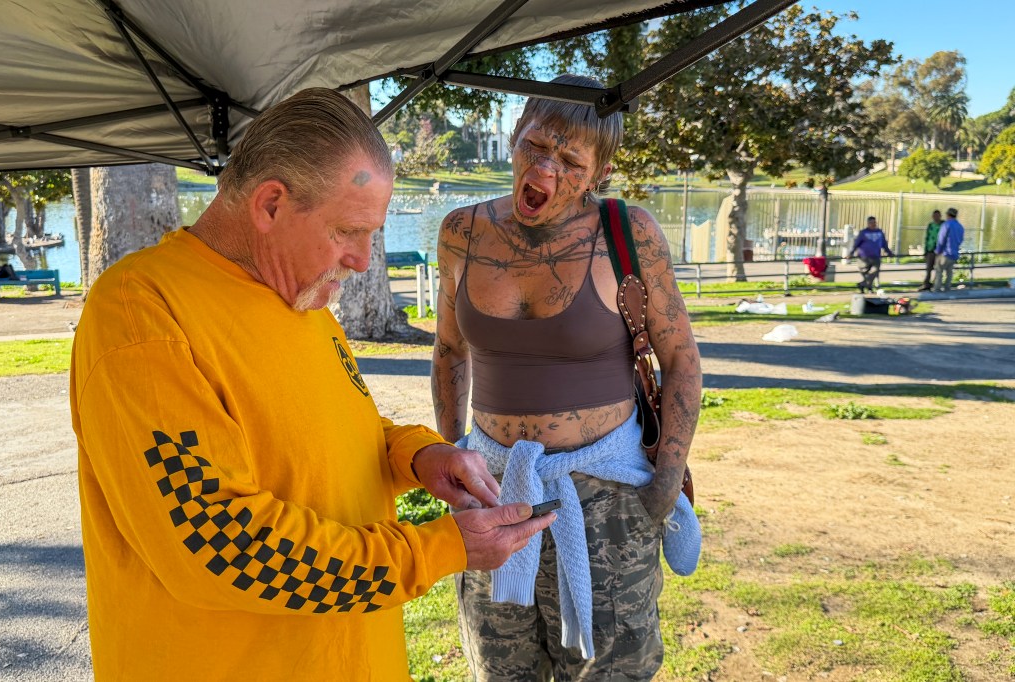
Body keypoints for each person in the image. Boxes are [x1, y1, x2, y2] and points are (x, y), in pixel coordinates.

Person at [69, 88, 555, 681]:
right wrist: (436, 548)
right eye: (348, 231)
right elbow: (223, 547)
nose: (361, 259)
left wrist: (417, 455)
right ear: (270, 203)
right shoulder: (141, 314)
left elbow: (328, 428)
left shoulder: (299, 296)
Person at [432, 74, 702, 680]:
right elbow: (450, 351)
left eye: (571, 160)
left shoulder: (628, 234)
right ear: (513, 138)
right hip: (493, 490)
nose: (546, 170)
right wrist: (451, 456)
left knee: (610, 668)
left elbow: (681, 360)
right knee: (500, 666)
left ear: (599, 172)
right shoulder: (461, 231)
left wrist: (665, 482)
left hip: (606, 497)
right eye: (536, 146)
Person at [849, 216, 894, 293]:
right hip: (863, 257)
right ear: (868, 223)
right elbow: (856, 244)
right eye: (871, 222)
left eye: (874, 222)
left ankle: (862, 284)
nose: (873, 224)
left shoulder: (879, 232)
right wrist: (851, 253)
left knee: (874, 271)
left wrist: (889, 252)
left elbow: (884, 244)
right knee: (866, 273)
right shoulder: (863, 232)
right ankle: (868, 288)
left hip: (875, 256)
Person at [933, 207, 965, 292]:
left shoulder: (946, 225)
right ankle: (947, 288)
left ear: (948, 215)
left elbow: (941, 239)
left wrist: (938, 251)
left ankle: (937, 288)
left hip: (945, 252)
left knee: (939, 271)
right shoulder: (960, 226)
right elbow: (961, 239)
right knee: (949, 272)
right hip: (954, 253)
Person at [918, 210, 943, 291]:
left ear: (940, 216)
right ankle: (926, 284)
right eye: (934, 216)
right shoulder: (930, 225)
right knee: (929, 268)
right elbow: (927, 238)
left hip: (939, 250)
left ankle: (936, 284)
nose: (936, 217)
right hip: (930, 250)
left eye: (937, 216)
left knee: (938, 269)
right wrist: (926, 250)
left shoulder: (943, 225)